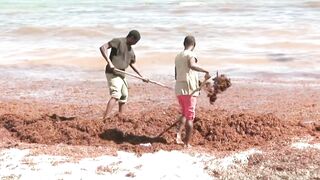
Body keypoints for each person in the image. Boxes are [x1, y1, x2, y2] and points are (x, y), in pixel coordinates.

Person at [100, 30, 148, 119]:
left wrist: (142, 76)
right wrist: (109, 62)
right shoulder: (118, 41)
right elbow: (103, 47)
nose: (135, 44)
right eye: (135, 41)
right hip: (113, 73)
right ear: (131, 38)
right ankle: (105, 118)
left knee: (124, 96)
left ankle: (120, 116)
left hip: (122, 74)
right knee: (116, 95)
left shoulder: (131, 50)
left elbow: (132, 64)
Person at [174, 35, 211, 147]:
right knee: (190, 117)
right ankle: (187, 143)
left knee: (184, 113)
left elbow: (176, 75)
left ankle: (178, 135)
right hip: (189, 90)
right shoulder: (191, 54)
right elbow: (192, 65)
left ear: (184, 44)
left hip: (179, 89)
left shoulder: (178, 56)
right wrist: (206, 71)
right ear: (194, 45)